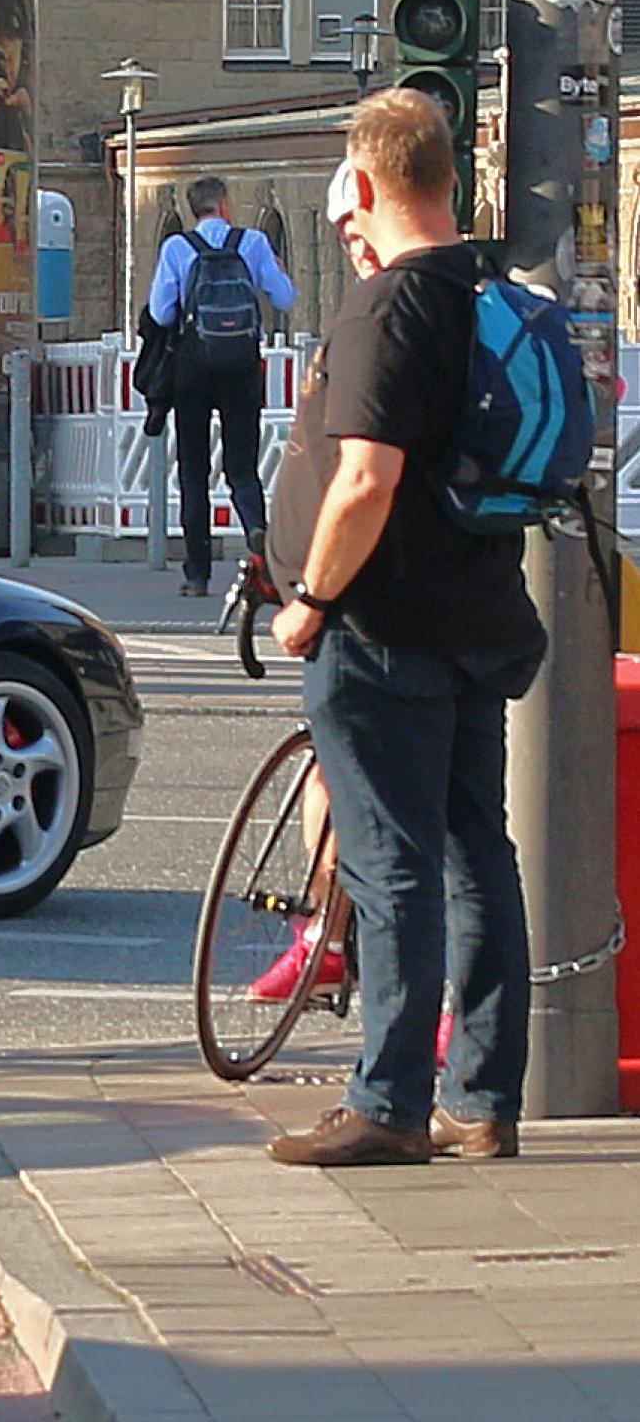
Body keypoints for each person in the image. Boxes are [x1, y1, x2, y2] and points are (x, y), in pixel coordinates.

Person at [261, 93, 542, 1168]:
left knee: (391, 868)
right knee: (478, 857)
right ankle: (480, 1099)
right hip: (475, 610)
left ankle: (385, 1101)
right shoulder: (486, 295)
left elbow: (364, 479)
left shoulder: (386, 311)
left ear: (365, 189)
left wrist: (312, 600)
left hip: (383, 626)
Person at [150, 174, 297, 598]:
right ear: (226, 205)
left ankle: (197, 574)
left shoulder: (177, 248)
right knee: (243, 466)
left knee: (194, 471)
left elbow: (161, 314)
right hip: (242, 364)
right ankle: (256, 537)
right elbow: (285, 299)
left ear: (194, 209)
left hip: (193, 365)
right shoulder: (250, 243)